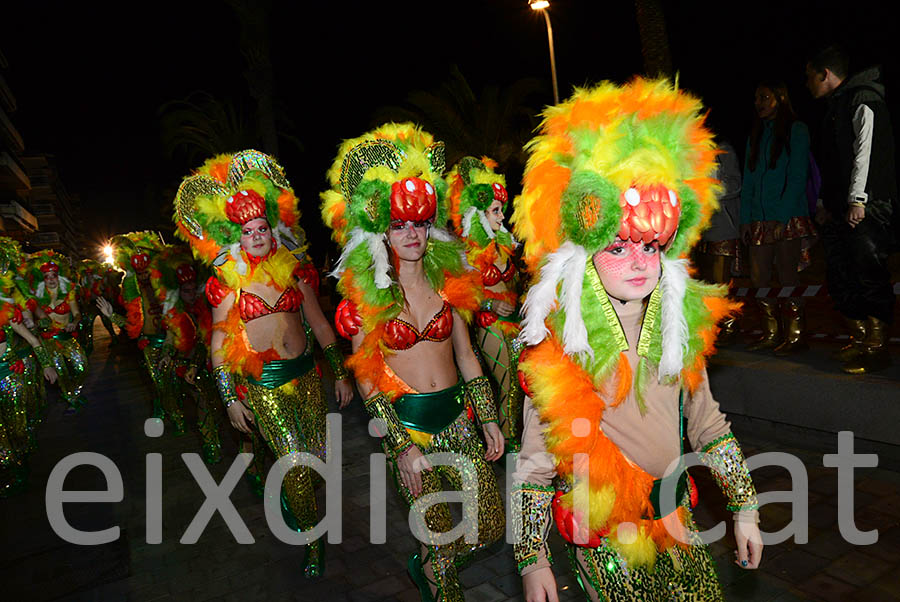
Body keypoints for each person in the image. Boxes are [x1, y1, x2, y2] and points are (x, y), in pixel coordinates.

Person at [511, 79, 763, 601]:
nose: (638, 264)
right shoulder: (563, 340)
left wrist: (744, 507)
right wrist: (532, 557)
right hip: (606, 538)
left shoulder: (678, 327)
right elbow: (535, 460)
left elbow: (707, 422)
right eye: (619, 246)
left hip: (676, 517)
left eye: (651, 247)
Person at [322, 123, 505, 602]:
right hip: (409, 429)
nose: (411, 234)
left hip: (460, 421)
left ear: (430, 224)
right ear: (381, 227)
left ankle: (425, 563)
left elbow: (466, 357)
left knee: (489, 526)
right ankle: (437, 573)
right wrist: (401, 446)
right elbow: (368, 379)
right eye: (399, 225)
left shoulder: (447, 281)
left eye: (419, 223)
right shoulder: (367, 296)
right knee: (439, 538)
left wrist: (487, 416)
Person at [173, 149, 353, 578]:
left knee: (318, 461)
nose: (255, 235)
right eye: (246, 230)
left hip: (307, 375)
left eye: (260, 227)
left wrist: (341, 372)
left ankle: (297, 498)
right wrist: (229, 398)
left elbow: (320, 324)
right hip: (264, 384)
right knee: (293, 460)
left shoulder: (293, 272)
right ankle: (312, 538)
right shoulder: (226, 283)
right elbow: (219, 342)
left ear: (272, 229)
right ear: (234, 236)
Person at [806, 45, 897, 374]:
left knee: (868, 273)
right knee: (840, 275)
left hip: (866, 206)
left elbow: (866, 149)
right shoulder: (834, 106)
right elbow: (832, 163)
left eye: (809, 76)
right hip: (838, 208)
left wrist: (858, 199)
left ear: (824, 74)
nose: (807, 83)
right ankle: (860, 340)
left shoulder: (863, 98)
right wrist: (823, 202)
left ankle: (877, 347)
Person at [446, 156, 525, 450]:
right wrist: (490, 306)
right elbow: (462, 294)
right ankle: (507, 443)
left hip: (513, 323)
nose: (501, 216)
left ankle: (512, 437)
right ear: (478, 214)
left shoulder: (502, 243)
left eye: (501, 210)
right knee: (506, 385)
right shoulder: (468, 251)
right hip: (489, 325)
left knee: (519, 384)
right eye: (495, 210)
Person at [740, 81, 814, 354]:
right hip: (758, 219)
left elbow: (797, 177)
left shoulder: (797, 130)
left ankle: (795, 336)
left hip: (786, 217)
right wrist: (745, 220)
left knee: (786, 276)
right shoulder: (755, 135)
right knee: (758, 278)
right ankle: (771, 333)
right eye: (756, 98)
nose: (758, 102)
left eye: (764, 96)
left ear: (780, 98)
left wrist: (781, 218)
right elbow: (748, 181)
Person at [107, 232, 184, 429]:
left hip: (172, 337)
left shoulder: (167, 285)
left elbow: (179, 315)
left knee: (172, 380)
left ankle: (169, 409)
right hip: (149, 342)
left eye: (145, 269)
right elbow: (132, 325)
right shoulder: (132, 289)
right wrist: (111, 316)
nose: (143, 275)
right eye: (138, 270)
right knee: (158, 380)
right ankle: (168, 411)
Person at [1, 239, 57, 496]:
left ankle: (19, 463)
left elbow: (33, 339)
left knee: (17, 426)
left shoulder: (5, 309)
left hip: (9, 374)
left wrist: (47, 365)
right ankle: (9, 465)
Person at [20, 250, 88, 413]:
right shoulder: (36, 296)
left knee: (81, 366)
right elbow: (29, 317)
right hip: (47, 339)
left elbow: (77, 314)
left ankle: (74, 392)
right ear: (42, 279)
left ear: (59, 276)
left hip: (65, 336)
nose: (50, 279)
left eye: (54, 275)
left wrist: (74, 322)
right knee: (61, 371)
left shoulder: (68, 292)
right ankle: (71, 397)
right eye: (47, 277)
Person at [697, 138, 742, 344]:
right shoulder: (690, 151)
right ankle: (709, 328)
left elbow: (735, 184)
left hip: (723, 225)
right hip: (698, 228)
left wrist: (707, 190)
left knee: (721, 280)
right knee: (704, 280)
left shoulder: (724, 150)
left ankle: (728, 327)